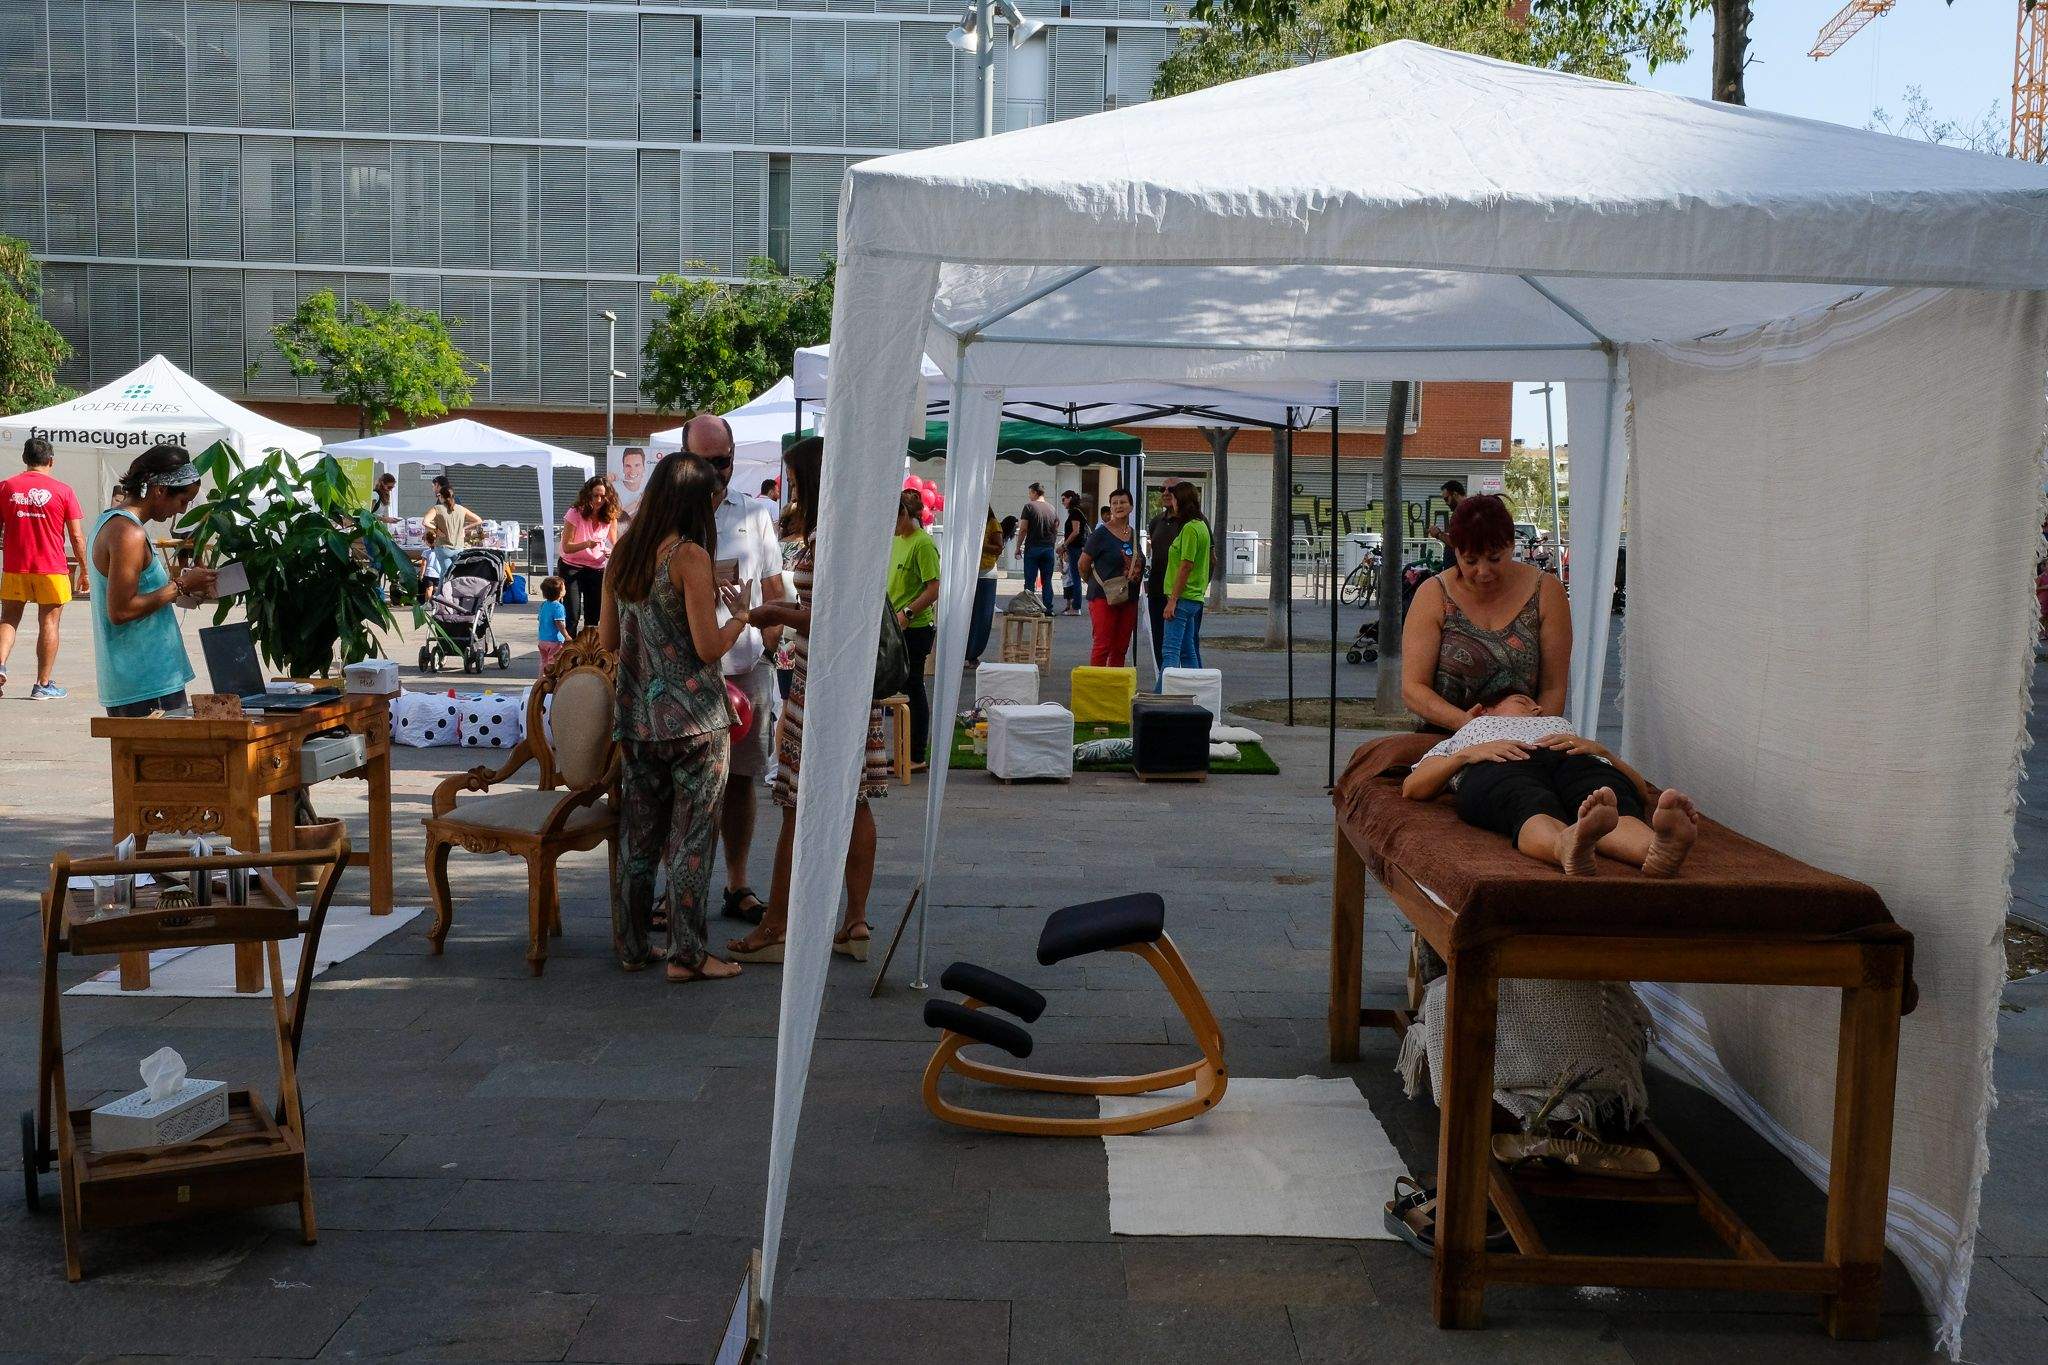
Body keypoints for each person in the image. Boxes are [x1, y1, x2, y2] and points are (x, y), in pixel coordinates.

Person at [727, 435, 890, 964]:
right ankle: (855, 920)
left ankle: (777, 925)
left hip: (822, 682)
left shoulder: (829, 535)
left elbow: (830, 619)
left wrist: (775, 613)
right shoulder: (852, 530)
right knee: (855, 801)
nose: (791, 491)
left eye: (796, 481)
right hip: (851, 682)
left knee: (796, 805)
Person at [599, 452, 752, 982]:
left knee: (638, 839)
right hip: (695, 721)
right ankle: (688, 955)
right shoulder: (689, 556)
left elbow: (607, 639)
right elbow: (708, 648)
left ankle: (632, 945)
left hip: (637, 719)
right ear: (695, 500)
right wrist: (740, 618)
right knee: (692, 838)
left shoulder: (623, 554)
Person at [1401, 692, 1700, 878]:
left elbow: (1640, 791)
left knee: (1609, 796)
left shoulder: (1565, 728)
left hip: (1573, 758)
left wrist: (1603, 753)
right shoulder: (1469, 732)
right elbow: (1413, 787)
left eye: (1538, 705)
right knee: (1526, 800)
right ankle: (1563, 846)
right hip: (1501, 763)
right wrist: (1467, 755)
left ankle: (1655, 850)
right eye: (1523, 702)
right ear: (1484, 711)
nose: (1538, 709)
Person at [680, 413, 787, 929]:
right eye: (705, 462)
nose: (716, 472)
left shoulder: (755, 514)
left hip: (744, 670)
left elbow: (775, 589)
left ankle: (736, 883)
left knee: (741, 781)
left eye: (723, 461)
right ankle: (678, 891)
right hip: (685, 674)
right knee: (684, 787)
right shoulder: (667, 517)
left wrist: (769, 643)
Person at [1401, 492, 1571, 732]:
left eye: (1494, 558)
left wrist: (1529, 737)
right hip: (1446, 737)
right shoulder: (1433, 594)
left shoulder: (1546, 591)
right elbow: (1413, 688)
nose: (1483, 571)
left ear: (1512, 545)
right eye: (1470, 561)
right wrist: (1471, 728)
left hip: (1525, 740)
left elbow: (1553, 689)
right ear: (1455, 551)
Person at [90, 445, 217, 716]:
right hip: (147, 681)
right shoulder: (127, 532)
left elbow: (137, 595)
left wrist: (187, 587)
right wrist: (181, 585)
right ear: (159, 490)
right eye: (182, 500)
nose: (182, 511)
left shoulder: (112, 523)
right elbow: (121, 610)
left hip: (141, 679)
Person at [0, 437, 87, 700]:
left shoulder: (6, 487)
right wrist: (85, 570)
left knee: (9, 619)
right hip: (52, 567)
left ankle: (0, 664)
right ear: (51, 460)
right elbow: (76, 537)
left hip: (15, 566)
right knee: (49, 621)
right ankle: (42, 684)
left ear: (24, 459)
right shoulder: (63, 491)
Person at [889, 486, 943, 767]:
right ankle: (902, 752)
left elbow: (933, 588)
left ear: (904, 514)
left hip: (915, 627)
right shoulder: (897, 540)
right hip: (894, 626)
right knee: (899, 690)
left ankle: (916, 755)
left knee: (913, 687)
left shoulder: (922, 544)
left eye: (894, 519)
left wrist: (908, 613)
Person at [1078, 486, 1143, 667]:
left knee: (1121, 647)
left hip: (1129, 597)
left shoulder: (1133, 533)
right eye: (1114, 503)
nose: (1118, 506)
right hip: (1103, 596)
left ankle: (1114, 682)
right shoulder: (1100, 534)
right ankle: (1096, 682)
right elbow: (1082, 564)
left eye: (1123, 502)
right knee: (1102, 645)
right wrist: (1092, 581)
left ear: (1131, 506)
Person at [556, 475, 619, 637]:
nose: (598, 500)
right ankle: (569, 650)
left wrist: (612, 551)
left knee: (593, 616)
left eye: (603, 496)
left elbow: (615, 543)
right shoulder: (575, 512)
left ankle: (590, 650)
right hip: (571, 567)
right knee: (572, 614)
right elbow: (566, 547)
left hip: (596, 568)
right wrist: (586, 544)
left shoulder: (610, 516)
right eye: (595, 495)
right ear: (587, 494)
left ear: (608, 497)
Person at [1160, 481, 1212, 670]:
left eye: (1173, 499)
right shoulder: (1201, 525)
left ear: (1180, 501)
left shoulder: (1190, 528)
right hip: (1193, 597)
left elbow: (1186, 566)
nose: (1171, 503)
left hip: (1182, 598)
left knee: (1170, 651)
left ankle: (1165, 687)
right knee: (1187, 650)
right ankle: (1196, 684)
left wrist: (1172, 600)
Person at [422, 479, 481, 593]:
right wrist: (464, 528)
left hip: (443, 547)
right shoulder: (461, 509)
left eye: (438, 496)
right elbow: (478, 520)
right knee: (455, 574)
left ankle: (440, 597)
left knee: (445, 574)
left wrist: (436, 529)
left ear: (441, 497)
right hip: (458, 547)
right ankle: (454, 596)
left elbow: (425, 522)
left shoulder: (437, 508)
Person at [1144, 494, 1181, 671]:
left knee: (1181, 645)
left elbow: (1191, 564)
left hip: (1182, 594)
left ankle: (1176, 680)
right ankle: (1163, 677)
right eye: (1162, 489)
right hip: (1157, 590)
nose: (1165, 493)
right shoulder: (1156, 521)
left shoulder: (1193, 524)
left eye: (1171, 490)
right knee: (1160, 640)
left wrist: (1175, 598)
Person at [964, 504, 1003, 669]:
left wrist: (980, 545)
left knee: (981, 617)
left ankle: (974, 653)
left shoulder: (993, 524)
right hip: (969, 572)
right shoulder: (969, 522)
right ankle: (965, 652)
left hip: (986, 573)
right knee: (968, 616)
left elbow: (999, 548)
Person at [773, 506, 804, 699]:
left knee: (785, 695)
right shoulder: (809, 547)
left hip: (782, 628)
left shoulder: (777, 547)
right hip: (804, 626)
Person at [1016, 482, 1059, 613]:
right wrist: (1051, 544)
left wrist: (1018, 546)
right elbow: (1056, 528)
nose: (1029, 496)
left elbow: (1023, 529)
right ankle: (1048, 609)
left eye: (1030, 493)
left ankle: (1030, 608)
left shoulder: (1029, 507)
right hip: (1048, 549)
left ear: (1035, 492)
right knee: (1047, 581)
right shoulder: (1052, 508)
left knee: (1030, 581)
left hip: (1033, 548)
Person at [1059, 489, 1088, 615]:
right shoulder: (1077, 511)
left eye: (1063, 499)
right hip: (1077, 547)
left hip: (1075, 548)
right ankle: (1074, 606)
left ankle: (1076, 607)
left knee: (1075, 577)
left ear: (1070, 498)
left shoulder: (1075, 512)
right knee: (1075, 576)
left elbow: (1076, 531)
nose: (1062, 502)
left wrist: (1064, 545)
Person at [1426, 479, 1466, 562]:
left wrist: (1438, 534)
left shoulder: (1464, 512)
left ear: (1455, 494)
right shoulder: (1462, 511)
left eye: (1446, 499)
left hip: (1458, 565)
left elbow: (1457, 542)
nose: (1446, 503)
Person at [536, 575, 568, 669]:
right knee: (553, 662)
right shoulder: (558, 607)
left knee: (544, 661)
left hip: (542, 640)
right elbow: (559, 623)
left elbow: (540, 619)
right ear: (560, 592)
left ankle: (542, 677)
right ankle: (551, 678)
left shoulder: (543, 605)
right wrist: (566, 636)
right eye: (564, 588)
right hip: (555, 640)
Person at [614, 446, 649, 521]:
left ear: (643, 468)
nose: (632, 471)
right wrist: (637, 503)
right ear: (623, 468)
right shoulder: (613, 489)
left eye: (637, 465)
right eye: (628, 466)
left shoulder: (649, 488)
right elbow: (615, 520)